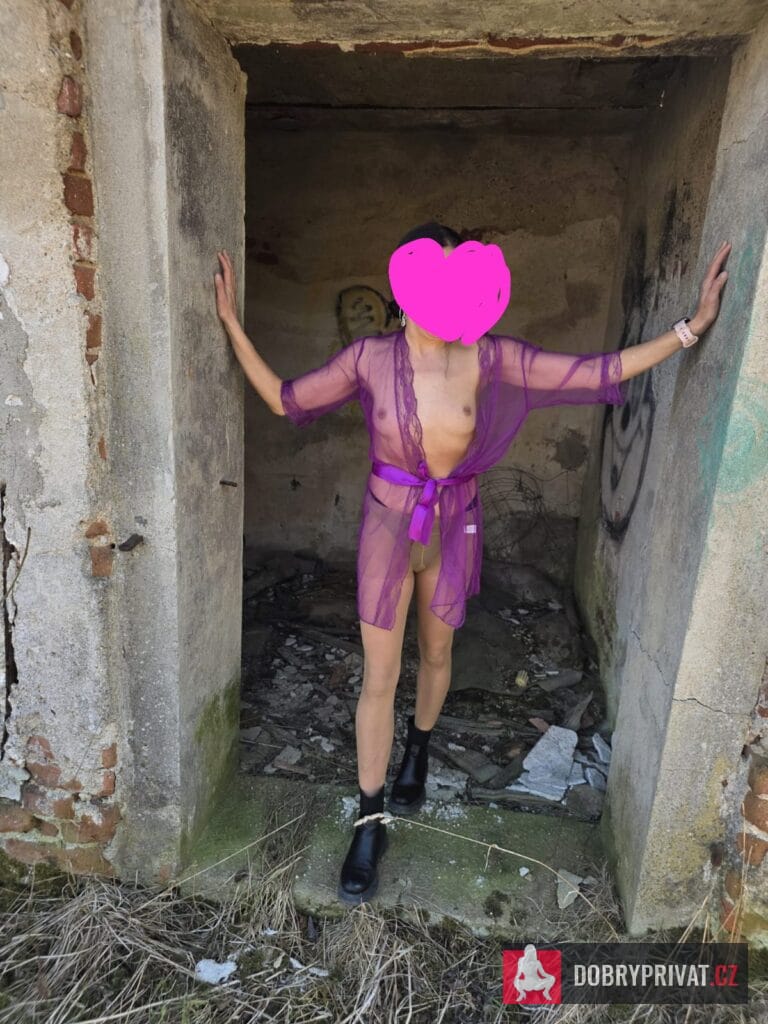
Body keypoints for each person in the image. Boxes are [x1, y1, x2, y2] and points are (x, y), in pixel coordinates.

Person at [214, 225, 731, 905]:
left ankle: (418, 750)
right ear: (409, 287)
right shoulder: (370, 357)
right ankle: (369, 823)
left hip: (453, 526)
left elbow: (592, 372)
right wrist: (232, 322)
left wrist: (690, 329)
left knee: (436, 654)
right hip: (387, 527)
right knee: (379, 677)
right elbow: (286, 398)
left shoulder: (486, 356)